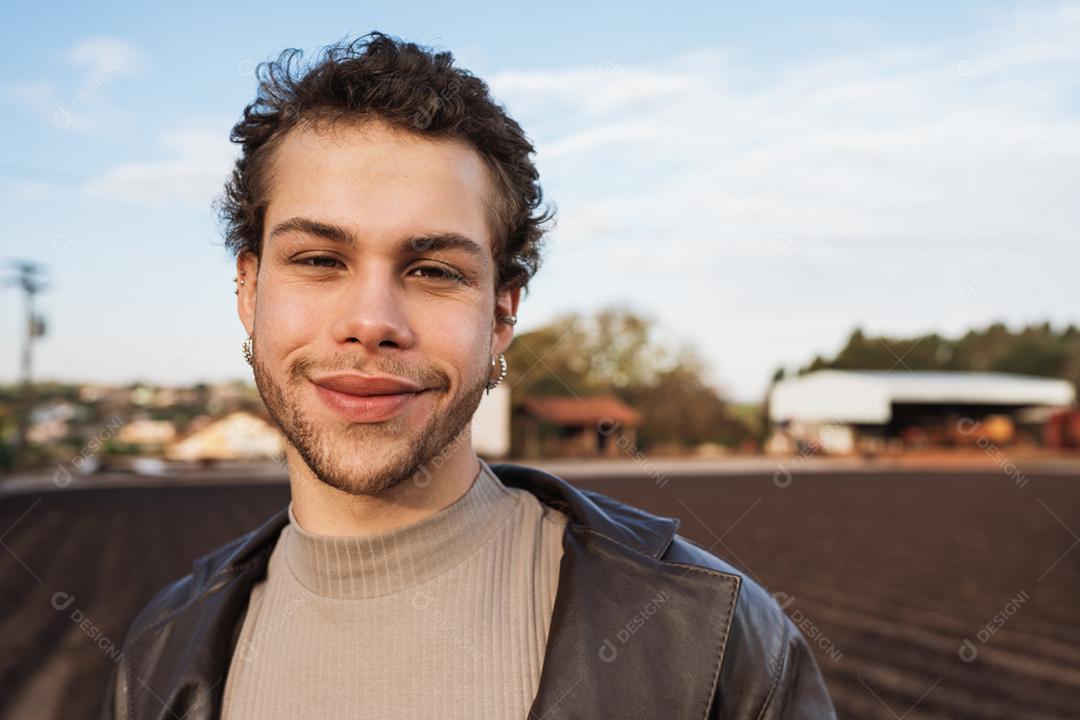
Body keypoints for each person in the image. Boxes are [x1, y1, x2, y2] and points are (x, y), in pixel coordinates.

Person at [101, 31, 836, 720]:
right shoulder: (158, 655)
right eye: (320, 260)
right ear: (248, 291)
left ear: (500, 316)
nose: (371, 321)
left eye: (433, 270)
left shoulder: (718, 634)